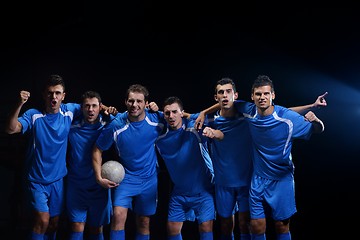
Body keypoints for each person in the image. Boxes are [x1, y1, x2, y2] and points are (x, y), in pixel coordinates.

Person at [194, 77, 327, 240]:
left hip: (281, 179)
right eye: (258, 94)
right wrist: (203, 112)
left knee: (281, 226)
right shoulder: (249, 111)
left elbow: (317, 129)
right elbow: (227, 101)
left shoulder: (287, 120)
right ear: (252, 96)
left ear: (273, 95)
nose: (262, 97)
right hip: (257, 178)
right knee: (256, 226)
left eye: (266, 94)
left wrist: (316, 119)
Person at [5, 74, 82, 240]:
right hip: (37, 180)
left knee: (54, 223)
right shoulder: (34, 115)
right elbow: (11, 129)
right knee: (42, 221)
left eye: (57, 93)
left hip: (58, 180)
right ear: (44, 95)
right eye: (50, 93)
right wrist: (19, 104)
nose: (53, 97)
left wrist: (106, 108)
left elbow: (91, 105)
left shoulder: (69, 111)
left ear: (63, 96)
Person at [92, 84, 164, 240]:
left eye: (139, 101)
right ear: (125, 102)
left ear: (146, 103)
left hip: (149, 178)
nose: (135, 105)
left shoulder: (156, 120)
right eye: (131, 101)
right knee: (118, 216)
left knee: (144, 222)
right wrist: (99, 178)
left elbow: (177, 118)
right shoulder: (116, 125)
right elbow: (97, 149)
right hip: (126, 178)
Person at [155, 96, 223, 240]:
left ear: (182, 113)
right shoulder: (160, 137)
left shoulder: (195, 126)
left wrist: (211, 131)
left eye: (175, 112)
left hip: (203, 190)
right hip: (179, 192)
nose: (171, 116)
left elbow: (223, 107)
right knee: (172, 230)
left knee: (205, 228)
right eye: (167, 113)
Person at [66, 90, 118, 240]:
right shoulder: (71, 126)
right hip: (76, 185)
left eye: (94, 106)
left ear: (100, 107)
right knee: (76, 226)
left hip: (99, 186)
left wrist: (110, 111)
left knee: (96, 228)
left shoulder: (108, 124)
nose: (90, 110)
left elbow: (123, 119)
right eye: (87, 106)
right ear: (81, 108)